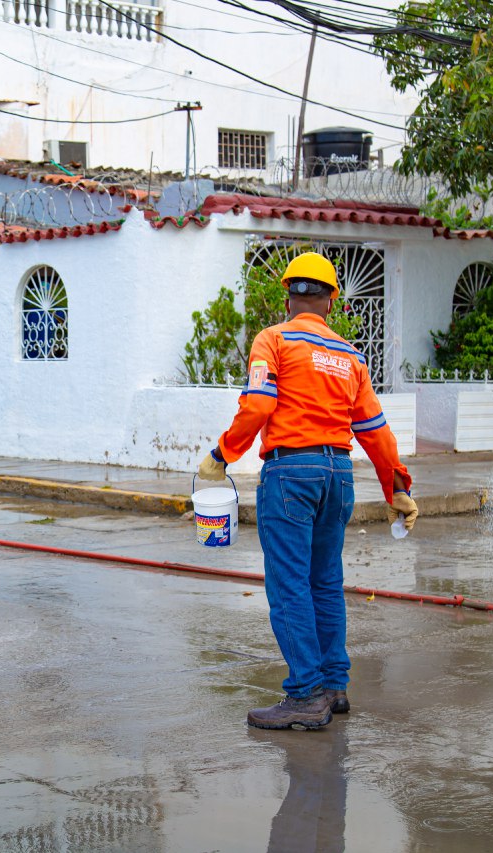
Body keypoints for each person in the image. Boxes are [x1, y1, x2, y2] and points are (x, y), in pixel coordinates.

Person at [196, 252, 419, 730]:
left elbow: (258, 405)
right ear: (332, 301)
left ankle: (305, 696)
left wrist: (222, 454)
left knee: (289, 585)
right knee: (325, 582)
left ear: (288, 298)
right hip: (338, 475)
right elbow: (375, 431)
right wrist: (397, 487)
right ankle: (334, 687)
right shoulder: (350, 357)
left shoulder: (273, 340)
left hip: (290, 475)